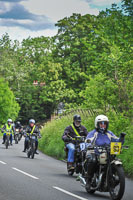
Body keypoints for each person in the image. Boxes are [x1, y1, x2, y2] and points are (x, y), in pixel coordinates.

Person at [85, 114, 125, 189]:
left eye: (105, 124)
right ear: (97, 124)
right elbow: (88, 140)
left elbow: (117, 141)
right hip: (95, 152)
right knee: (93, 160)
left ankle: (112, 178)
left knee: (115, 161)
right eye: (101, 123)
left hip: (107, 153)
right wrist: (89, 144)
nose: (103, 125)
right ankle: (89, 179)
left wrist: (121, 138)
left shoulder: (109, 133)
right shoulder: (94, 133)